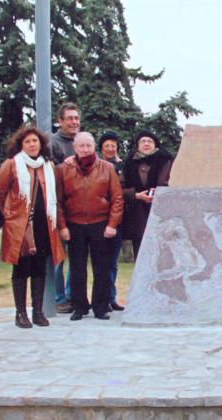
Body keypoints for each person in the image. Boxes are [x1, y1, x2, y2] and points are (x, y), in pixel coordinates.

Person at [0, 126, 65, 328]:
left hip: (44, 225)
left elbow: (56, 194)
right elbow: (0, 192)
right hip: (20, 227)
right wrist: (10, 215)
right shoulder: (12, 165)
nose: (32, 144)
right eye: (28, 142)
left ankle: (38, 311)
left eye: (35, 141)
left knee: (40, 269)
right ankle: (20, 313)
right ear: (21, 145)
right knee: (21, 269)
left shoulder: (48, 166)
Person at [57, 132, 123, 321]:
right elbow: (58, 201)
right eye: (81, 146)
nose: (85, 149)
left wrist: (112, 224)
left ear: (94, 147)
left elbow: (117, 198)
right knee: (77, 268)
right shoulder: (64, 169)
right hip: (74, 224)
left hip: (100, 224)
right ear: (75, 148)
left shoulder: (107, 168)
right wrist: (63, 226)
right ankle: (79, 307)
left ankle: (100, 307)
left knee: (101, 268)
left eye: (88, 145)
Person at [121, 129, 173, 257]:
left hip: (163, 215)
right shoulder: (129, 163)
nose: (146, 143)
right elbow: (119, 189)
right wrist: (136, 195)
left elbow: (176, 184)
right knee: (141, 256)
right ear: (137, 146)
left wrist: (161, 191)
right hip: (138, 216)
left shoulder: (167, 161)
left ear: (155, 145)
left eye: (150, 141)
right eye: (143, 141)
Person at [49, 102, 80, 314]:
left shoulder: (82, 142)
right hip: (58, 207)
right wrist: (65, 165)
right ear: (60, 121)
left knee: (77, 258)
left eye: (76, 118)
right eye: (69, 118)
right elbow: (49, 172)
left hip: (78, 210)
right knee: (58, 257)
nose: (74, 122)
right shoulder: (52, 143)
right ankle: (58, 298)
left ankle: (72, 296)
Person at [99, 130, 126, 311]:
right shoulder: (97, 166)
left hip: (117, 219)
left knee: (113, 263)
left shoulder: (123, 166)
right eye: (106, 146)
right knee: (101, 261)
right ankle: (101, 298)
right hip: (99, 219)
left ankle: (111, 297)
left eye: (113, 146)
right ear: (101, 149)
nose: (110, 148)